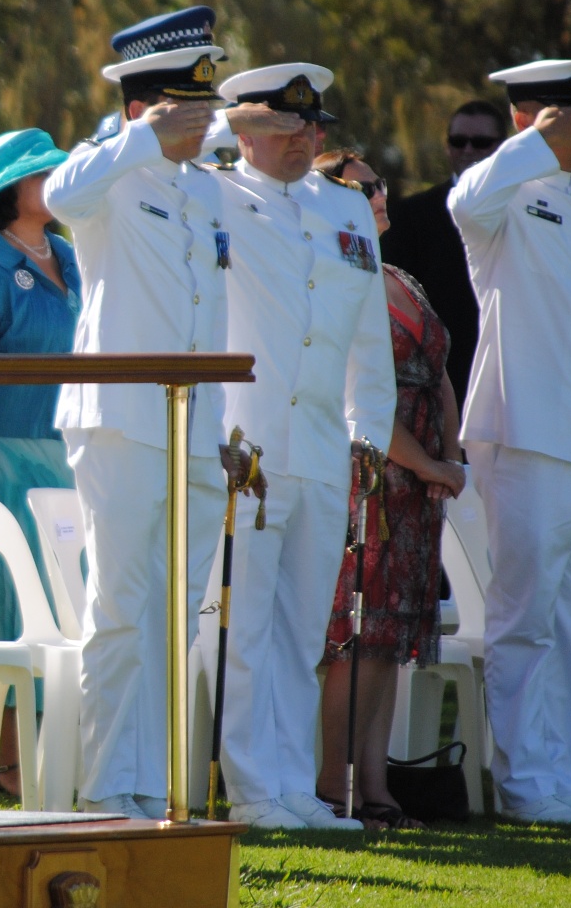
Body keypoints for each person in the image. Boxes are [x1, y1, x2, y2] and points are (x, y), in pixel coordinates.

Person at [43, 6, 282, 821]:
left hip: (191, 428)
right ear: (150, 108)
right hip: (118, 421)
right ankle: (110, 786)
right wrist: (144, 137)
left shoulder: (200, 191)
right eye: (189, 112)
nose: (201, 127)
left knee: (173, 613)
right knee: (119, 607)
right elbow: (59, 193)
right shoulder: (105, 174)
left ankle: (152, 783)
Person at [206, 64, 394, 832]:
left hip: (321, 443)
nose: (303, 141)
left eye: (311, 128)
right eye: (283, 127)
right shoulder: (212, 192)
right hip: (246, 445)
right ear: (247, 131)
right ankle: (254, 791)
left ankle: (290, 790)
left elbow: (368, 338)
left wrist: (370, 433)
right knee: (245, 627)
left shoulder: (345, 210)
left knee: (301, 630)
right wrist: (230, 121)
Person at [450, 56, 571, 824]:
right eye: (569, 118)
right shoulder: (504, 195)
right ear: (531, 118)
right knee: (525, 616)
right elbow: (464, 199)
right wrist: (531, 143)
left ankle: (559, 777)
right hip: (526, 432)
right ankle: (523, 781)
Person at [311, 147, 466, 830]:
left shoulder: (399, 275)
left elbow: (438, 374)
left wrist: (449, 455)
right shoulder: (336, 276)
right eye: (361, 187)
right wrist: (427, 465)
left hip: (418, 489)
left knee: (389, 644)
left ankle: (375, 783)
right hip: (369, 474)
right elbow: (361, 402)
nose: (378, 197)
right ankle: (329, 783)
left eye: (380, 186)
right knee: (353, 636)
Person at [0, 129, 81, 640]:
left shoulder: (69, 253)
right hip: (2, 466)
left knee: (68, 626)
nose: (57, 179)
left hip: (68, 461)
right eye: (42, 171)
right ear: (8, 188)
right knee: (7, 629)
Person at [381, 99, 507, 400]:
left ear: (503, 148)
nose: (468, 150)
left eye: (481, 142)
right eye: (458, 141)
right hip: (441, 381)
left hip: (511, 374)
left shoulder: (525, 211)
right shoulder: (411, 216)